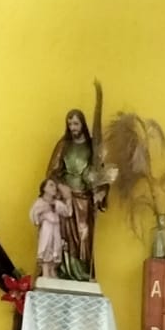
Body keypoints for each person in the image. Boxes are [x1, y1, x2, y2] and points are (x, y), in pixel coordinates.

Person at [44, 107, 108, 280]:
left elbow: (102, 175)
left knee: (84, 235)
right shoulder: (63, 145)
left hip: (84, 200)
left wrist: (101, 192)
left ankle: (82, 273)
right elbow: (51, 172)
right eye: (70, 124)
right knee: (63, 236)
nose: (73, 127)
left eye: (76, 124)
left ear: (82, 124)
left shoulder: (92, 147)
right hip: (65, 199)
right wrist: (61, 186)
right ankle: (62, 272)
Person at [28, 178, 69, 279]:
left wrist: (66, 200)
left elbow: (66, 212)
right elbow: (33, 214)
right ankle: (45, 270)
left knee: (56, 247)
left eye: (54, 186)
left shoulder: (57, 203)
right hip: (47, 228)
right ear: (44, 188)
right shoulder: (40, 202)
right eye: (51, 185)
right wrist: (41, 216)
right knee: (46, 246)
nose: (54, 188)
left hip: (56, 228)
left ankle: (52, 270)